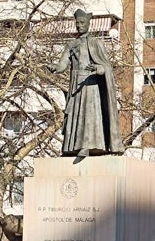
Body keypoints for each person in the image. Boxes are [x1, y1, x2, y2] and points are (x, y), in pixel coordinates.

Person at [48, 9, 125, 158]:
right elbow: (63, 64)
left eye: (82, 22)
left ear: (89, 24)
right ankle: (71, 147)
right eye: (77, 23)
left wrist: (99, 68)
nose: (79, 25)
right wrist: (55, 68)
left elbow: (106, 67)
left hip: (91, 85)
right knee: (74, 116)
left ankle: (88, 146)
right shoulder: (71, 44)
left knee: (89, 116)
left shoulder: (96, 43)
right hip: (76, 85)